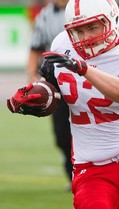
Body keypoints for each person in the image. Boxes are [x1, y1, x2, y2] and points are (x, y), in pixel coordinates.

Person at [7, 0, 119, 209]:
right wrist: (35, 94)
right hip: (90, 169)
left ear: (113, 21)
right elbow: (53, 86)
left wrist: (84, 69)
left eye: (92, 28)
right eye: (78, 30)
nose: (85, 37)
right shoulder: (62, 45)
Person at [26, 0, 73, 187]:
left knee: (87, 127)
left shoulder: (83, 8)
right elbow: (35, 46)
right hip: (55, 81)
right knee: (61, 132)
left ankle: (86, 175)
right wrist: (31, 75)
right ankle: (73, 174)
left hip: (84, 78)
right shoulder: (45, 15)